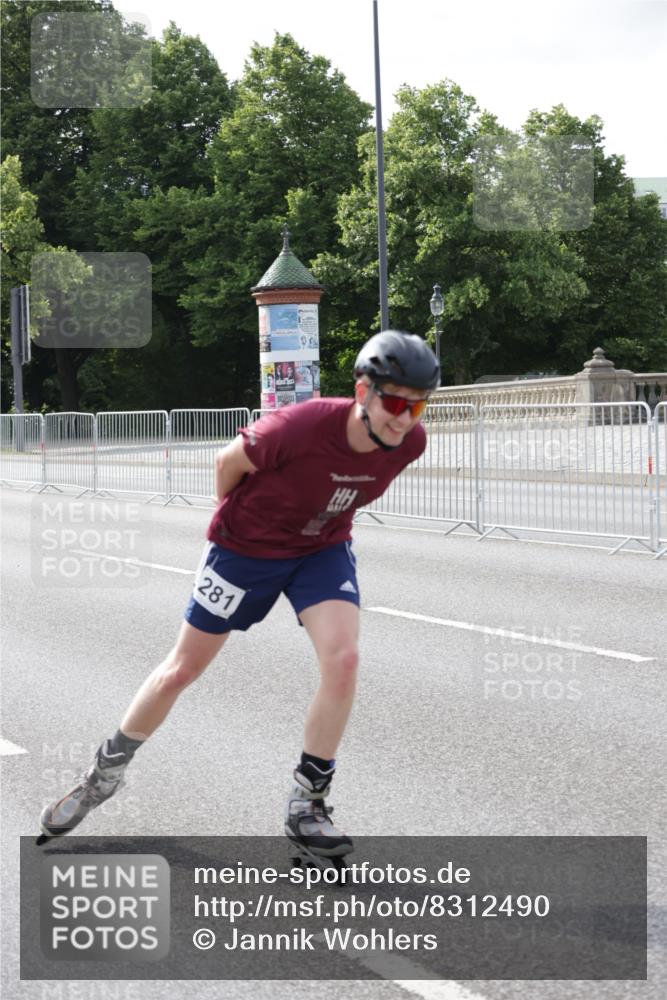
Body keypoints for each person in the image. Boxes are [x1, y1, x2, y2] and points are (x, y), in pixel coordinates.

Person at [37, 330, 440, 865]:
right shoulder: (300, 427)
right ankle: (103, 775)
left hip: (320, 550)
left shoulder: (411, 442)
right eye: (394, 402)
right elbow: (228, 464)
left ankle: (308, 804)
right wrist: (237, 529)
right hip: (243, 551)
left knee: (343, 660)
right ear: (362, 390)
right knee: (181, 669)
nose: (404, 419)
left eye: (417, 407)